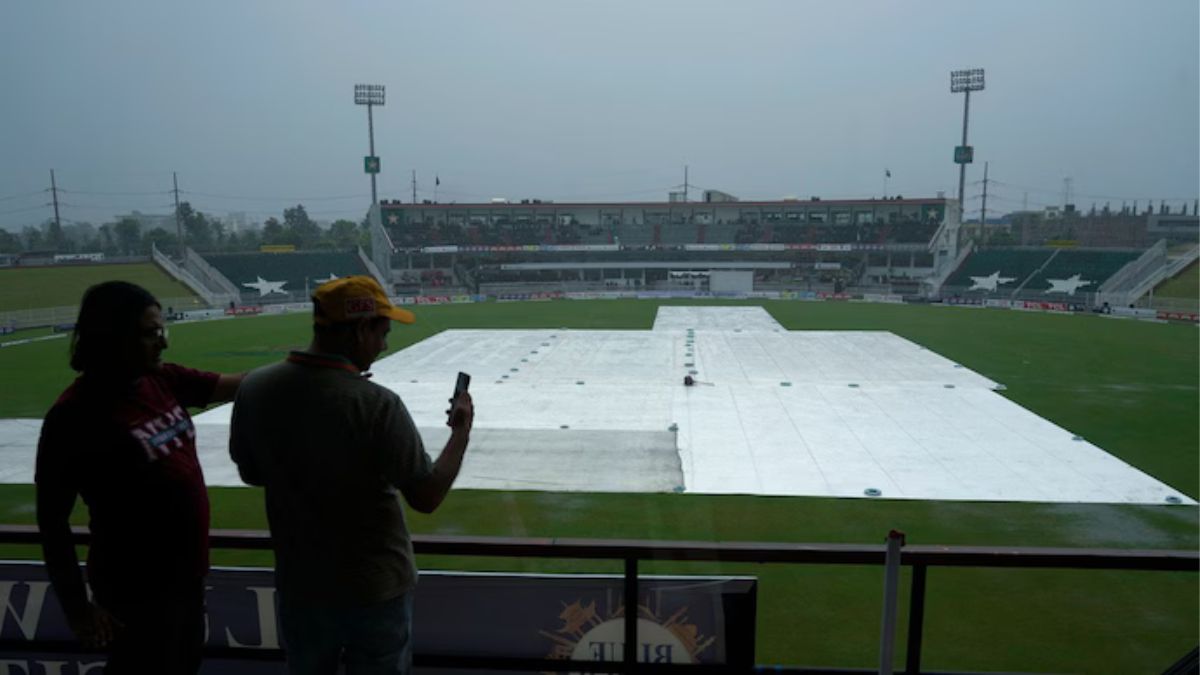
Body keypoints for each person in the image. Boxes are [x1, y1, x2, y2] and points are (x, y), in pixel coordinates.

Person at [229, 275, 474, 675]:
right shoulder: (375, 404)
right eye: (383, 332)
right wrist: (460, 433)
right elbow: (426, 496)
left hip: (300, 585)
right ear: (360, 329)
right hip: (374, 587)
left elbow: (251, 473)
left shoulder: (255, 388)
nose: (385, 344)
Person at [36, 281, 244, 674]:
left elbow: (236, 384)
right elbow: (52, 521)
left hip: (187, 580)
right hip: (135, 592)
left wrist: (316, 369)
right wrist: (77, 608)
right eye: (151, 334)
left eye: (161, 331)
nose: (162, 343)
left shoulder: (161, 379)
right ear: (112, 337)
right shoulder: (74, 416)